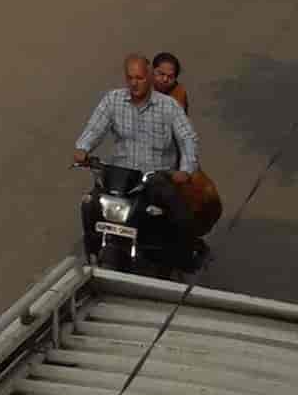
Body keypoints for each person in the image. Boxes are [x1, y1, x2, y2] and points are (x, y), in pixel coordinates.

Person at [74, 54, 200, 250]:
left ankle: (184, 255)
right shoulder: (112, 100)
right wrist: (83, 147)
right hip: (121, 176)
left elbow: (187, 138)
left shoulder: (169, 106)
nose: (134, 83)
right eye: (130, 78)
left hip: (156, 178)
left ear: (149, 77)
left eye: (139, 78)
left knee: (180, 216)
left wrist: (185, 169)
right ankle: (93, 252)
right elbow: (95, 128)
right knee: (90, 204)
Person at [151, 52, 224, 237]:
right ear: (152, 71)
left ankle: (186, 241)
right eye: (161, 74)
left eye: (170, 76)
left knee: (204, 197)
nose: (165, 79)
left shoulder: (177, 94)